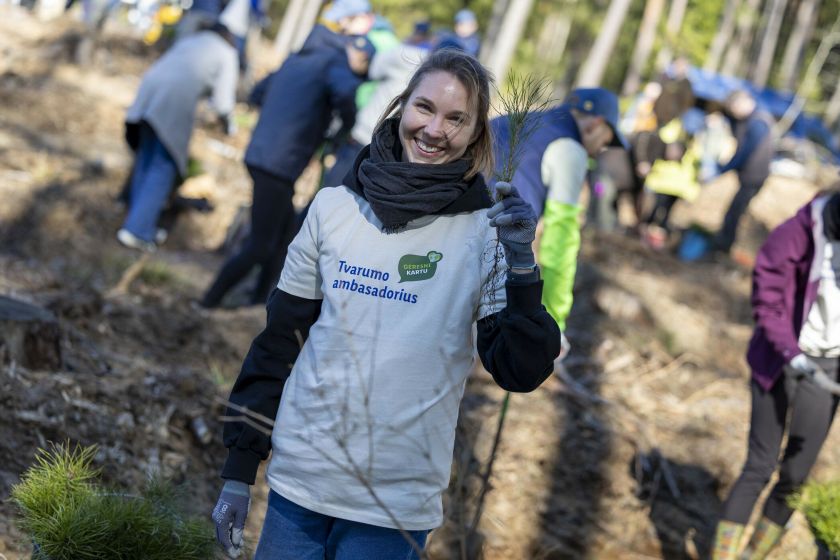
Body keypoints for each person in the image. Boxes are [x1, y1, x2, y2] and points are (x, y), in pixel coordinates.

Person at [210, 49, 561, 560]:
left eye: (456, 118)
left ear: (476, 133)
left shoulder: (485, 232)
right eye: (425, 108)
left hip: (395, 506)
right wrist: (239, 473)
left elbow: (520, 369)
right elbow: (278, 343)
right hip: (300, 485)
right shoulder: (334, 208)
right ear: (401, 107)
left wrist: (523, 267)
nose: (434, 129)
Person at [199, 20, 375, 308]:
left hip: (262, 153)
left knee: (284, 235)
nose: (362, 69)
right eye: (364, 62)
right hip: (279, 162)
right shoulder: (335, 61)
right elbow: (345, 94)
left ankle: (258, 300)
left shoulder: (300, 58)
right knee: (262, 242)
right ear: (354, 53)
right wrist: (346, 127)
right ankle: (209, 301)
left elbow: (258, 92)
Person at [712, 190, 840, 560]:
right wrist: (791, 353)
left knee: (796, 475)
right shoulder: (798, 232)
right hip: (780, 358)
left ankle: (753, 555)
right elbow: (768, 299)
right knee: (760, 464)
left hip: (829, 367)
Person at [490, 88, 626, 331]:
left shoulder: (515, 119)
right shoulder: (570, 150)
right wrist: (552, 322)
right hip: (487, 249)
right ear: (594, 125)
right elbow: (559, 242)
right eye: (604, 141)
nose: (598, 151)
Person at [118, 22, 238, 252]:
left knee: (146, 158)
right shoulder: (226, 53)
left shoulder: (191, 40)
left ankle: (133, 219)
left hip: (148, 92)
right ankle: (137, 230)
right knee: (164, 165)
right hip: (172, 100)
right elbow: (223, 103)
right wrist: (229, 126)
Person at [711, 89, 774, 254]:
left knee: (734, 213)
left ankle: (723, 247)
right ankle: (723, 244)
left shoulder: (758, 122)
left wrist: (723, 168)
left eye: (734, 110)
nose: (735, 114)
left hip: (754, 177)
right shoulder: (750, 120)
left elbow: (745, 152)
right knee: (734, 211)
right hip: (750, 176)